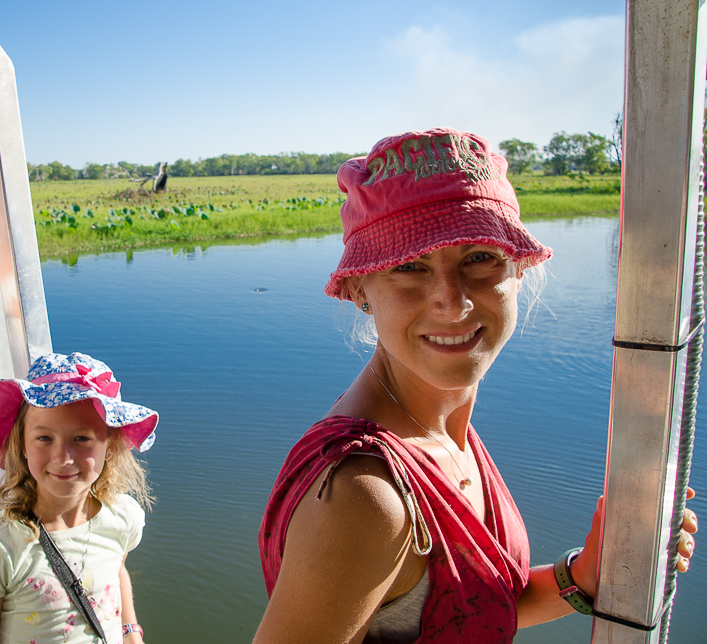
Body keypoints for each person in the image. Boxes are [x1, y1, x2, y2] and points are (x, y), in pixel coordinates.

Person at [254, 128, 698, 644]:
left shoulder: (435, 425)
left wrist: (580, 579)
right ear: (360, 291)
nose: (453, 300)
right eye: (409, 266)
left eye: (480, 258)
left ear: (518, 267)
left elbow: (461, 614)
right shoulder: (366, 498)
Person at [0, 352, 158, 644]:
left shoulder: (123, 518)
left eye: (82, 439)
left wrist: (131, 633)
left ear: (110, 446)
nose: (63, 458)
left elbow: (116, 572)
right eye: (44, 438)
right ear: (23, 444)